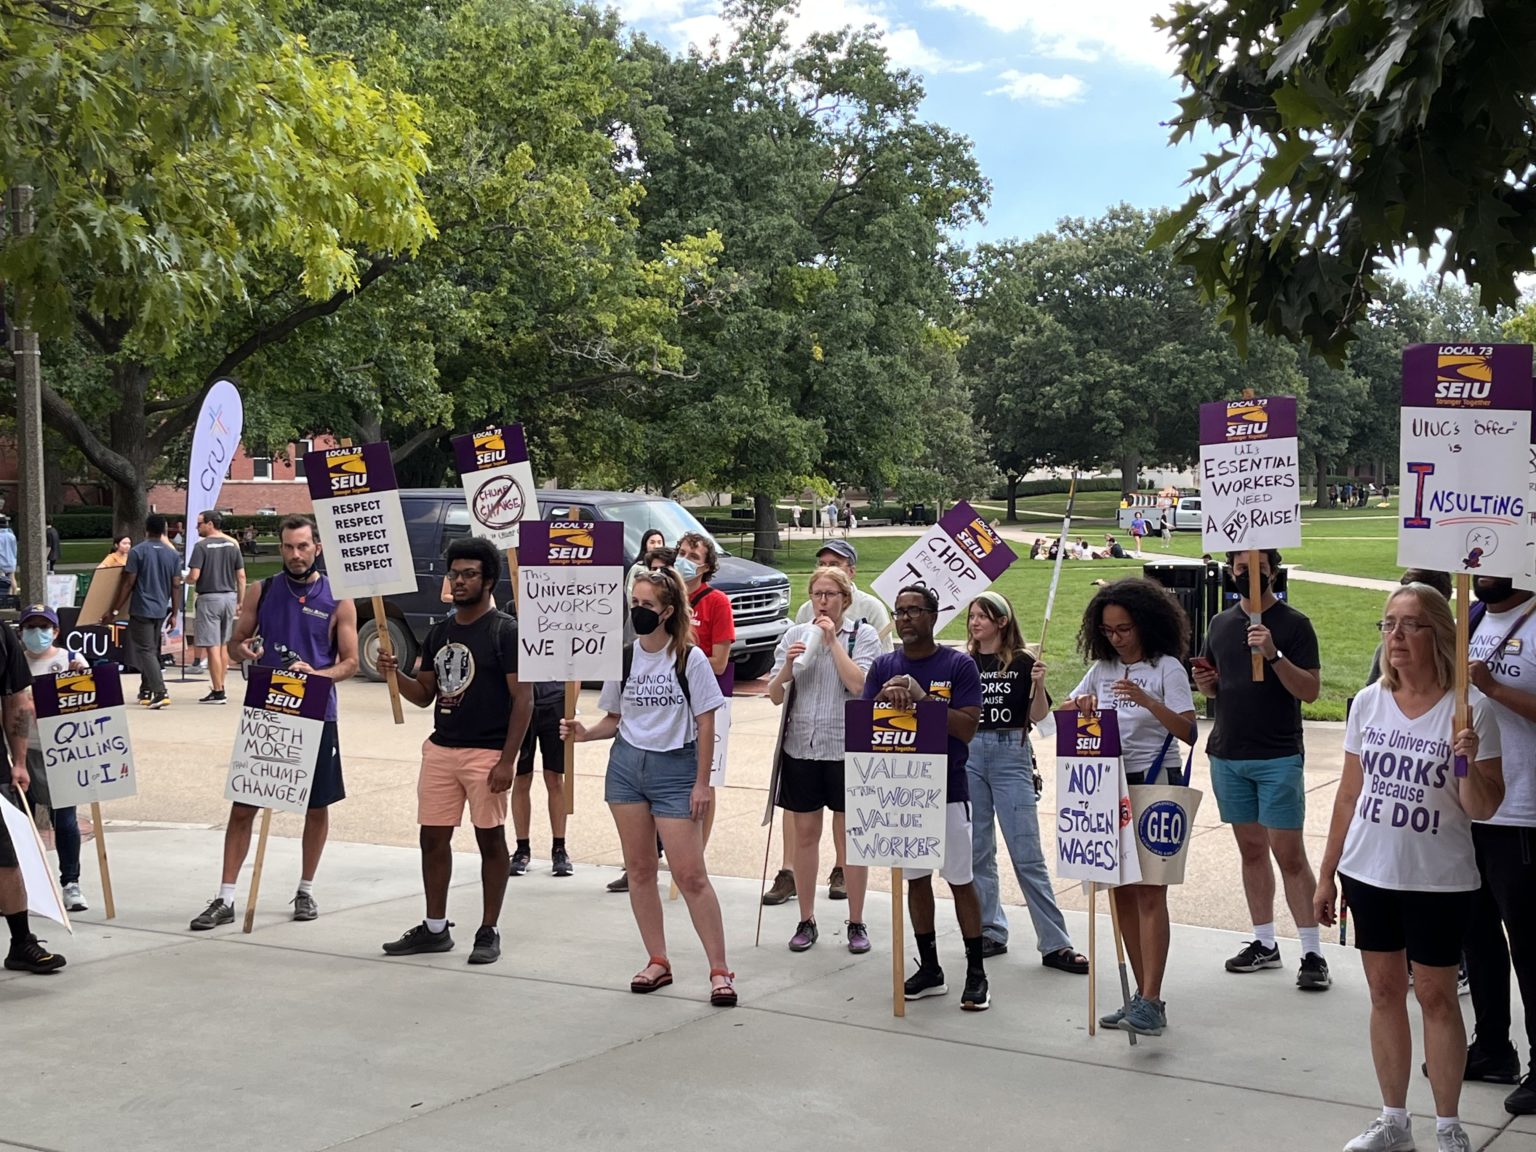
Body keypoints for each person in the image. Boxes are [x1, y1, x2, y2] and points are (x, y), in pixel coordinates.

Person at [1315, 583, 1504, 1152]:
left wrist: (1466, 759)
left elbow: (1484, 808)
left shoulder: (1470, 710)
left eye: (1408, 625)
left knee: (1438, 998)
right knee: (1382, 994)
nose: (1394, 637)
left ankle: (1448, 1126)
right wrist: (1326, 873)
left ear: (1437, 634)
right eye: (1387, 624)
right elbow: (1349, 795)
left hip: (1438, 879)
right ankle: (1394, 1121)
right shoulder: (1370, 701)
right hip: (1369, 872)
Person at [561, 568, 737, 1006]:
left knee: (690, 874)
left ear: (668, 612)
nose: (638, 612)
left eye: (647, 607)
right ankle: (657, 960)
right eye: (634, 605)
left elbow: (706, 721)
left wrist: (703, 783)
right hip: (626, 767)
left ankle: (719, 969)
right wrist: (584, 733)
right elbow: (615, 719)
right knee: (639, 870)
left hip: (676, 769)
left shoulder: (688, 659)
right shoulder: (624, 657)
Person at [188, 516, 358, 930]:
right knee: (245, 804)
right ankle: (226, 897)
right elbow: (235, 642)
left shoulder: (339, 597)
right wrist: (243, 649)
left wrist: (315, 675)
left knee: (316, 806)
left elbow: (351, 662)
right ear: (280, 548)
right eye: (288, 547)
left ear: (317, 547)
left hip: (317, 711)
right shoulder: (263, 590)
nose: (295, 555)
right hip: (268, 709)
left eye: (302, 547)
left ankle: (305, 889)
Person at [378, 537, 533, 965]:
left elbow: (524, 699)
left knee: (490, 841)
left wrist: (507, 760)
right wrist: (395, 677)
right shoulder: (441, 632)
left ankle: (488, 929)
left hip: (487, 754)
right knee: (432, 837)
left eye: (469, 574)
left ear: (488, 580)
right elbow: (425, 693)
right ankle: (433, 928)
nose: (459, 581)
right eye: (454, 574)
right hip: (441, 748)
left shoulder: (506, 631)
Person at [1192, 549, 1329, 990]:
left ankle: (1312, 951)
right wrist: (1207, 685)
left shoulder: (1295, 624)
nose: (1248, 575)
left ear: (1273, 570)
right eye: (1239, 568)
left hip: (1277, 755)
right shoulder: (1220, 623)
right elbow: (1218, 678)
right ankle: (1264, 942)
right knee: (1251, 850)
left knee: (1288, 854)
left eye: (1257, 568)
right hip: (1229, 751)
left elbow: (1309, 692)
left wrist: (1273, 654)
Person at [1070, 580, 1199, 1037]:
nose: (1117, 637)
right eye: (1108, 630)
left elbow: (1188, 731)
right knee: (1120, 891)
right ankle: (1142, 997)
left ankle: (1152, 994)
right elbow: (1065, 713)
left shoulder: (1167, 668)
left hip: (1154, 779)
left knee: (1150, 892)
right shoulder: (1102, 669)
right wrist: (1079, 704)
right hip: (1108, 783)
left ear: (1145, 623)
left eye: (1124, 628)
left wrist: (1148, 700)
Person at [867, 584, 989, 1010]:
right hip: (903, 792)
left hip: (948, 787)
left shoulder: (958, 665)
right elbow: (865, 727)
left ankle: (976, 970)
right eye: (899, 611)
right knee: (915, 879)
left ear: (934, 616)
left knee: (959, 879)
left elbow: (967, 727)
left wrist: (921, 700)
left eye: (914, 610)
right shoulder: (883, 666)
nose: (904, 618)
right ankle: (930, 966)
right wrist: (884, 700)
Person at [763, 539, 893, 907]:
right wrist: (787, 665)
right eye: (817, 594)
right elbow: (775, 694)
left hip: (846, 747)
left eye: (830, 594)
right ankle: (806, 916)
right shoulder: (794, 635)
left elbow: (860, 685)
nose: (822, 601)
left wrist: (833, 642)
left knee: (851, 832)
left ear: (845, 599)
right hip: (802, 746)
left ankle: (855, 918)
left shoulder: (861, 635)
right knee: (805, 833)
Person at [965, 591, 1086, 974]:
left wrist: (1039, 683)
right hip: (969, 753)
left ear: (1002, 621)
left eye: (982, 616)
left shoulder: (1022, 662)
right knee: (978, 851)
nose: (974, 623)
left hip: (1010, 752)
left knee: (1026, 853)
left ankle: (1055, 943)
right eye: (971, 617)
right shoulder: (963, 663)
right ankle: (990, 929)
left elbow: (1040, 718)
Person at [1461, 573, 1536, 1112]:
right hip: (1474, 804)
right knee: (1477, 934)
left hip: (1525, 812)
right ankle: (1492, 1047)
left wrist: (1495, 689)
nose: (1482, 570)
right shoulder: (1473, 616)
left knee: (1530, 945)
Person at [0, 619, 66, 974]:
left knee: (5, 857)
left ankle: (21, 941)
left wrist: (20, 761)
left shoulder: (2, 634)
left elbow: (17, 702)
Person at [19, 604, 90, 912]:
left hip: (63, 751)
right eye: (31, 627)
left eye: (43, 627)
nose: (37, 633)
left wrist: (82, 676)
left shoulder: (69, 661)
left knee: (65, 819)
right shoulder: (13, 664)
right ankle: (27, 882)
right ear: (21, 633)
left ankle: (70, 882)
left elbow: (94, 701)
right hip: (25, 750)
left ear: (56, 632)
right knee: (25, 821)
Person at [101, 513, 181, 709]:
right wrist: (175, 613)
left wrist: (114, 609)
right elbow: (176, 585)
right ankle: (146, 690)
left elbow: (128, 583)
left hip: (141, 607)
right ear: (164, 531)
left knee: (145, 650)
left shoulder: (137, 552)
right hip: (161, 609)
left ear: (146, 530)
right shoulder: (172, 554)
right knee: (152, 650)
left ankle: (160, 692)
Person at [509, 680, 572, 878]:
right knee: (521, 777)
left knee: (554, 777)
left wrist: (570, 704)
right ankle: (522, 848)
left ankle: (559, 848)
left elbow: (575, 669)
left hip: (556, 701)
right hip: (522, 701)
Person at [188, 510, 246, 705]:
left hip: (209, 598)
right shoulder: (233, 544)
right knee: (222, 644)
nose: (197, 528)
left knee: (212, 646)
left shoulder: (201, 546)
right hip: (229, 597)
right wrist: (240, 601)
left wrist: (183, 580)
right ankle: (221, 684)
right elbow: (241, 576)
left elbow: (194, 576)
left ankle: (218, 690)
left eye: (200, 523)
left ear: (210, 524)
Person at [1366, 569, 1453, 686]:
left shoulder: (1466, 701)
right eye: (1389, 623)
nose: (1395, 634)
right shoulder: (1368, 699)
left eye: (1410, 624)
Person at [676, 533, 735, 695]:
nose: (684, 560)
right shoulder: (664, 596)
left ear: (706, 567)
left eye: (693, 557)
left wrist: (675, 660)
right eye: (681, 554)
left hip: (701, 691)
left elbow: (719, 665)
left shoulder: (717, 602)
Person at [626, 529, 666, 598]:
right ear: (645, 545)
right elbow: (630, 594)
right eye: (652, 542)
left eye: (659, 542)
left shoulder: (667, 567)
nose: (656, 546)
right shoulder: (638, 568)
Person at [0, 515, 17, 597]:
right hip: (11, 560)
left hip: (1, 561)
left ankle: (3, 598)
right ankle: (13, 596)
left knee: (2, 581)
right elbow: (15, 549)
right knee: (12, 579)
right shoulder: (11, 536)